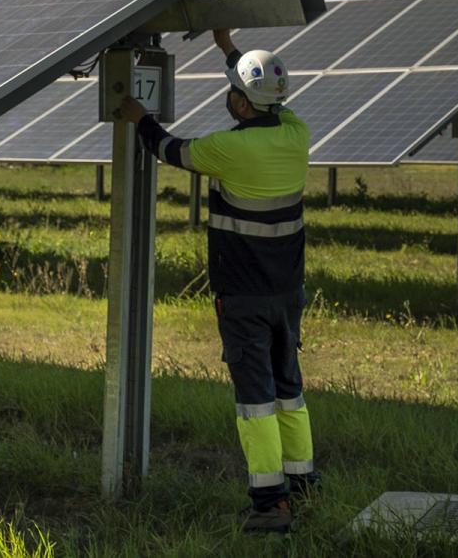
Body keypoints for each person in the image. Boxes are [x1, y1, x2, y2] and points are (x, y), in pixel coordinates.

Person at [118, 30, 318, 534]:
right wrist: (227, 47)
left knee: (255, 398)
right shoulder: (297, 132)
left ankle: (270, 502)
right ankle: (304, 486)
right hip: (287, 291)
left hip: (245, 296)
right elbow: (260, 90)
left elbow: (169, 149)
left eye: (232, 92)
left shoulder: (228, 150)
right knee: (289, 388)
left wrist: (139, 117)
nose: (227, 98)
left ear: (243, 106)